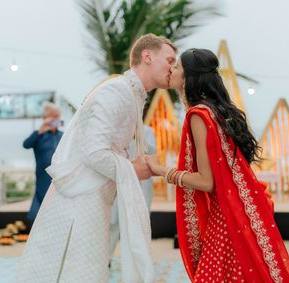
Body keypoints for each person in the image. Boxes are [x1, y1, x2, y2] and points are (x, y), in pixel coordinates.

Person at [15, 34, 177, 283]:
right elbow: (94, 152)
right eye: (169, 60)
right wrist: (133, 169)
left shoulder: (131, 94)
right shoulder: (118, 91)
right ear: (147, 56)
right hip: (79, 204)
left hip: (93, 200)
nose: (172, 67)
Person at [146, 48, 289, 283]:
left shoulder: (198, 116)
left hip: (226, 223)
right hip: (239, 214)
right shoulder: (215, 112)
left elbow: (207, 182)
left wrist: (162, 171)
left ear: (188, 78)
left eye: (176, 67)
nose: (170, 69)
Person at [109, 124, 157, 261]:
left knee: (140, 221)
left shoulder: (147, 130)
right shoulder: (119, 129)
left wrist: (139, 136)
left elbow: (153, 150)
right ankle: (108, 258)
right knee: (114, 221)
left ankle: (141, 259)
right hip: (121, 180)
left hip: (141, 182)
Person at [23, 102, 63, 221]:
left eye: (57, 117)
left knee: (56, 212)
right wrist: (40, 130)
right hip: (42, 178)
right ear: (45, 118)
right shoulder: (38, 135)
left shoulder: (62, 135)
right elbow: (26, 144)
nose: (55, 119)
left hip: (59, 178)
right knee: (36, 214)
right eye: (52, 117)